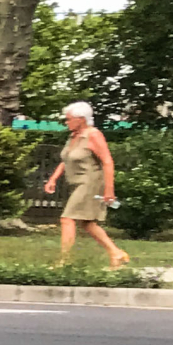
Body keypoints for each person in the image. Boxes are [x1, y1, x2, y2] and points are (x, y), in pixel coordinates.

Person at [43, 100, 128, 267]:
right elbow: (66, 159)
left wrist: (109, 190)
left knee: (67, 218)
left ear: (81, 119)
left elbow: (107, 162)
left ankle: (65, 260)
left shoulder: (93, 135)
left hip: (91, 182)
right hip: (78, 182)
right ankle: (116, 253)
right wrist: (53, 178)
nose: (66, 122)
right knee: (87, 223)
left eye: (68, 119)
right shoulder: (73, 136)